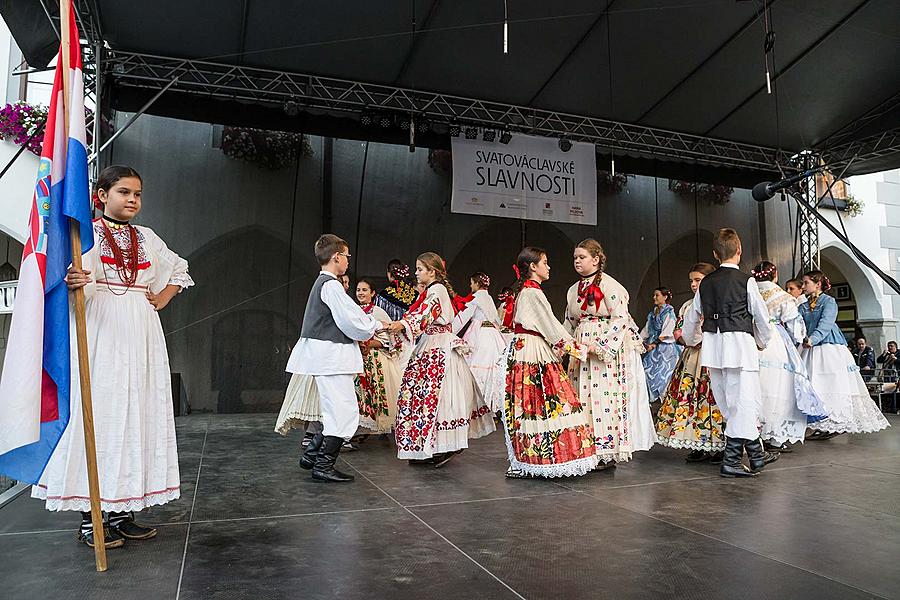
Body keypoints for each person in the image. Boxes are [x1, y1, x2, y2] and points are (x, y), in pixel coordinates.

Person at [34, 166, 194, 549]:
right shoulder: (84, 233)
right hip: (102, 327)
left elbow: (179, 269)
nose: (133, 200)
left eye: (137, 193)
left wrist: (162, 297)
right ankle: (92, 518)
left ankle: (123, 512)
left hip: (141, 329)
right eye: (124, 192)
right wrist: (73, 281)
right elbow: (68, 280)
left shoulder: (147, 237)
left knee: (137, 414)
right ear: (103, 194)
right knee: (102, 416)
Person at [286, 234, 386, 482]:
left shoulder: (325, 284)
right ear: (336, 257)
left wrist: (370, 324)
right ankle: (323, 466)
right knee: (343, 412)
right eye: (346, 256)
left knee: (335, 411)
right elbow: (351, 321)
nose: (348, 260)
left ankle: (312, 456)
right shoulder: (330, 285)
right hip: (330, 357)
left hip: (327, 357)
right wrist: (375, 325)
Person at [681, 228, 777, 478]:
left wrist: (691, 340)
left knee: (729, 405)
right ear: (740, 251)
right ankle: (733, 461)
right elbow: (762, 318)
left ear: (715, 254)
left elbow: (692, 318)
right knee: (744, 404)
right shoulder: (747, 281)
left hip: (714, 348)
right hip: (741, 348)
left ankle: (756, 456)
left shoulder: (706, 283)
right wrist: (762, 341)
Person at [388, 253, 495, 467]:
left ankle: (446, 445)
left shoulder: (437, 290)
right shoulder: (432, 290)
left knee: (439, 396)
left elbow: (426, 313)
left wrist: (402, 325)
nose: (416, 273)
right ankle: (433, 447)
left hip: (438, 346)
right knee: (430, 396)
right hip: (431, 342)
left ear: (432, 271)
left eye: (420, 269)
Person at [503, 247, 598, 478]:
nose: (548, 266)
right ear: (533, 267)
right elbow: (552, 328)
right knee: (546, 399)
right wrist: (579, 348)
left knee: (531, 402)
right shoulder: (532, 292)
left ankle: (529, 458)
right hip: (531, 350)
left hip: (525, 348)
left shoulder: (527, 291)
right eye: (545, 262)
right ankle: (540, 458)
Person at [566, 239, 655, 468]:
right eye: (575, 257)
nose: (577, 261)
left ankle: (605, 451)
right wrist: (563, 346)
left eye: (582, 257)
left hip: (602, 350)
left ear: (595, 259)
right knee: (581, 395)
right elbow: (569, 322)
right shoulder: (573, 290)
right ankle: (585, 448)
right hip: (581, 348)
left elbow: (620, 318)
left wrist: (600, 346)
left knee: (602, 397)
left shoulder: (610, 286)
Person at [799, 271, 889, 438]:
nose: (803, 286)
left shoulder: (829, 301)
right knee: (813, 384)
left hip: (828, 346)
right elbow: (798, 323)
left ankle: (834, 421)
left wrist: (813, 338)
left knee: (831, 384)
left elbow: (826, 322)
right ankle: (819, 422)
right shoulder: (803, 305)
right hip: (809, 347)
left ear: (817, 284)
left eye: (806, 283)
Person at [752, 261, 828, 452]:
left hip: (751, 339)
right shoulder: (783, 297)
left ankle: (754, 433)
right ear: (775, 275)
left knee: (755, 385)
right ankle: (775, 437)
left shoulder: (749, 293)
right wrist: (800, 338)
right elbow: (795, 326)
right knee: (779, 386)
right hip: (776, 340)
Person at [656, 263, 725, 462]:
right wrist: (683, 338)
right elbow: (678, 329)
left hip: (711, 354)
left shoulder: (718, 302)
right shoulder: (688, 305)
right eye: (692, 281)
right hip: (691, 356)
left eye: (698, 280)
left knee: (711, 398)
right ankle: (697, 442)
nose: (694, 285)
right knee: (690, 398)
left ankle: (720, 444)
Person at [452, 272, 508, 413]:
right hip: (492, 334)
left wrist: (449, 330)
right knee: (492, 367)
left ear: (477, 283)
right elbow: (497, 320)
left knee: (474, 365)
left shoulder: (475, 298)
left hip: (480, 334)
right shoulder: (488, 298)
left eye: (472, 283)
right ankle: (494, 405)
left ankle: (477, 406)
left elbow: (463, 316)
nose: (470, 286)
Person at [355, 278, 402, 434]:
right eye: (358, 290)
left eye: (364, 290)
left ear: (373, 293)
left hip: (373, 358)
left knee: (373, 394)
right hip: (355, 358)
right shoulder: (352, 310)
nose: (361, 293)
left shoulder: (377, 312)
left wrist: (367, 344)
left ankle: (367, 429)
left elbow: (387, 341)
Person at [641, 287, 681, 402]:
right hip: (653, 347)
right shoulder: (653, 312)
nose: (654, 297)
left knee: (664, 373)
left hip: (665, 348)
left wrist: (655, 343)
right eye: (654, 295)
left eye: (657, 295)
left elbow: (667, 331)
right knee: (647, 370)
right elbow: (647, 329)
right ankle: (653, 398)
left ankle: (665, 399)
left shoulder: (669, 312)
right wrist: (638, 340)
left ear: (665, 297)